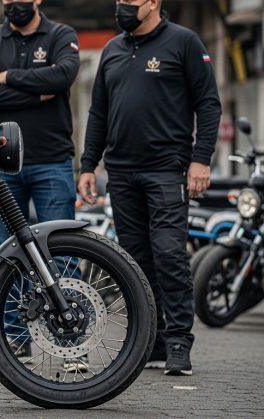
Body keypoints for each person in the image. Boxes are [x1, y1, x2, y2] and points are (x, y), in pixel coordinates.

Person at [78, 0, 221, 376]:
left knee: (170, 255)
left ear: (154, 2)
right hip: (121, 173)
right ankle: (149, 341)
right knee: (135, 261)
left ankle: (178, 342)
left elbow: (208, 104)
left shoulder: (184, 42)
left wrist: (201, 159)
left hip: (167, 170)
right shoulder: (112, 49)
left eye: (131, 1)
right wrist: (88, 165)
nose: (122, 7)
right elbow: (99, 112)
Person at [0, 0, 81, 370]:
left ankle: (73, 343)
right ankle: (14, 342)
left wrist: (8, 78)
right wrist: (37, 91)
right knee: (8, 255)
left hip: (52, 160)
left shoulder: (61, 35)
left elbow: (62, 77)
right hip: (2, 165)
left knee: (63, 251)